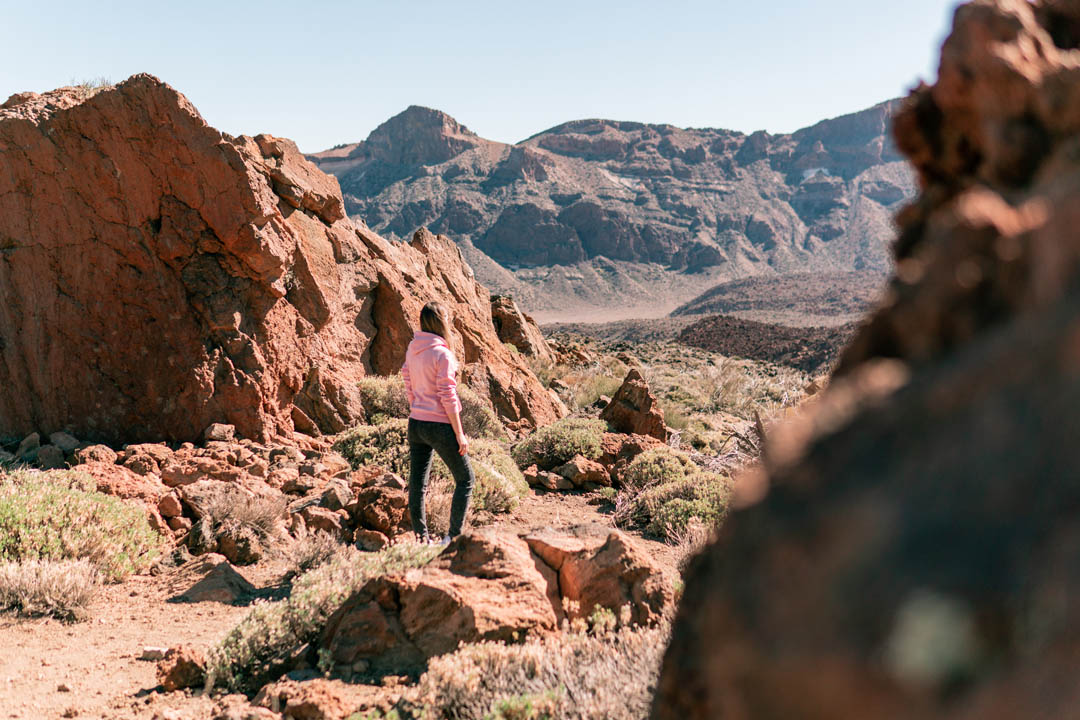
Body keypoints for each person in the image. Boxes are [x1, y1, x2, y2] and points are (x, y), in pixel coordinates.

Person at [400, 301, 475, 544]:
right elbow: (448, 395)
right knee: (465, 479)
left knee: (418, 485)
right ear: (442, 323)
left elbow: (407, 378)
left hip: (416, 423)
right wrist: (459, 433)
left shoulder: (413, 348)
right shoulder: (443, 354)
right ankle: (452, 538)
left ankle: (422, 539)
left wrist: (416, 406)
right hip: (440, 426)